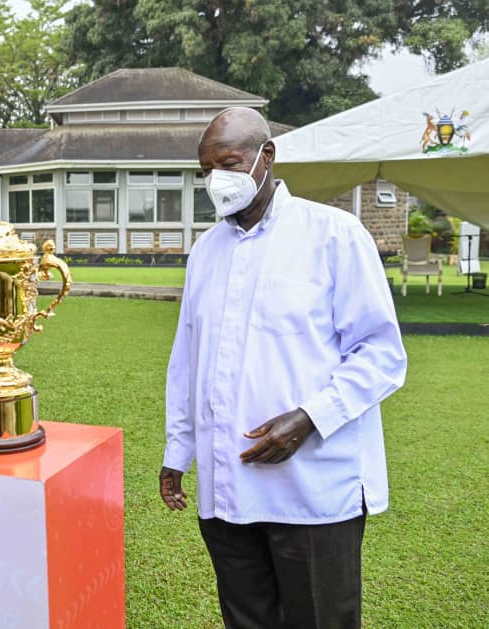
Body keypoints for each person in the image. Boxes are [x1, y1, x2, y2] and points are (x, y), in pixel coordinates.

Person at [159, 107, 407, 628]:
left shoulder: (334, 234)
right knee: (246, 618)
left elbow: (381, 353)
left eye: (229, 163)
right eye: (206, 170)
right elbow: (187, 360)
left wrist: (309, 418)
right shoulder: (206, 251)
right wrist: (178, 452)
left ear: (266, 156)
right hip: (227, 486)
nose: (217, 179)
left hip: (312, 489)